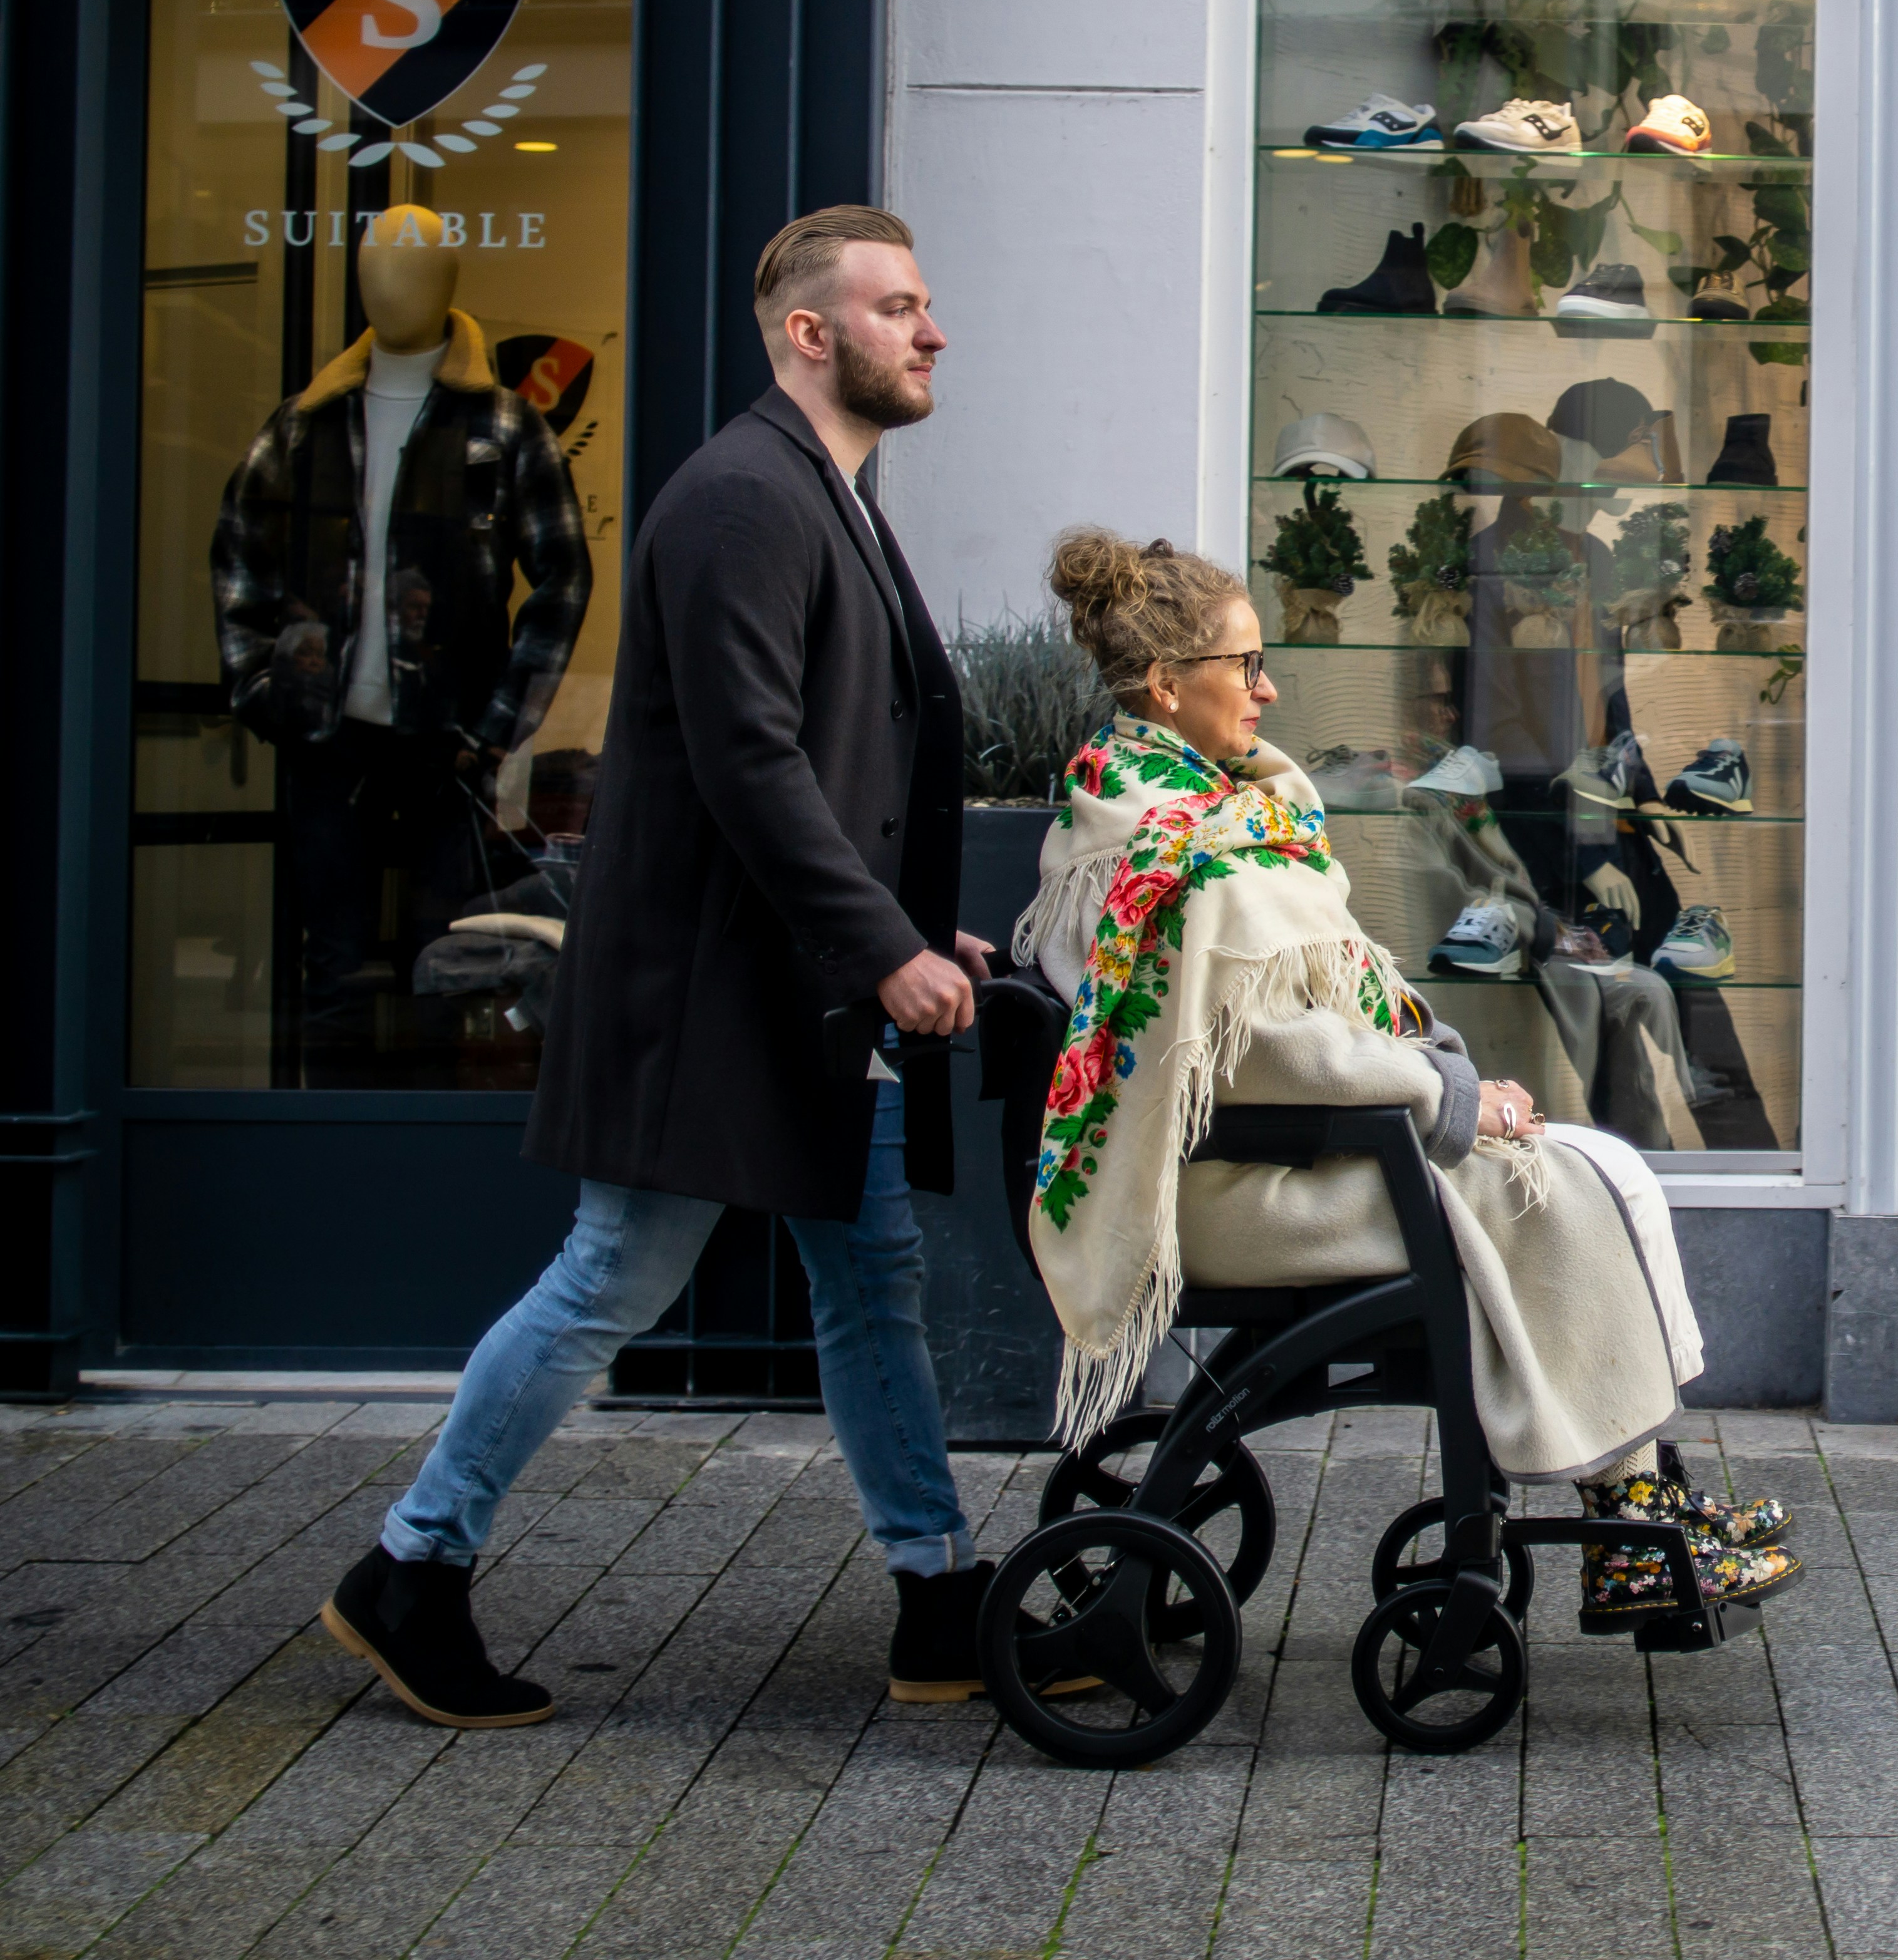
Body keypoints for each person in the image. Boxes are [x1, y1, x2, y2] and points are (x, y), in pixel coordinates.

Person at [321, 206, 1010, 1727]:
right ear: (810, 334)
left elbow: (837, 751)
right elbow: (751, 758)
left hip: (797, 983)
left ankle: (939, 1593)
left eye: (926, 301)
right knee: (610, 1279)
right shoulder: (740, 500)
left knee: (871, 1277)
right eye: (899, 305)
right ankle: (412, 1567)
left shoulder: (822, 490)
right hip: (715, 994)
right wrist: (878, 941)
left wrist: (905, 921)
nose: (933, 329)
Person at [1018, 529, 1794, 1629]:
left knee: (1593, 1164)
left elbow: (1292, 1031)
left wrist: (1442, 1086)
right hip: (1237, 1186)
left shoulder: (1167, 814)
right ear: (1166, 684)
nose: (1267, 688)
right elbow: (1276, 1055)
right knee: (1562, 1185)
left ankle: (1644, 1498)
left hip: (1272, 1158)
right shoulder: (1176, 853)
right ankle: (1626, 1519)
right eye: (1245, 665)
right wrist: (1455, 1103)